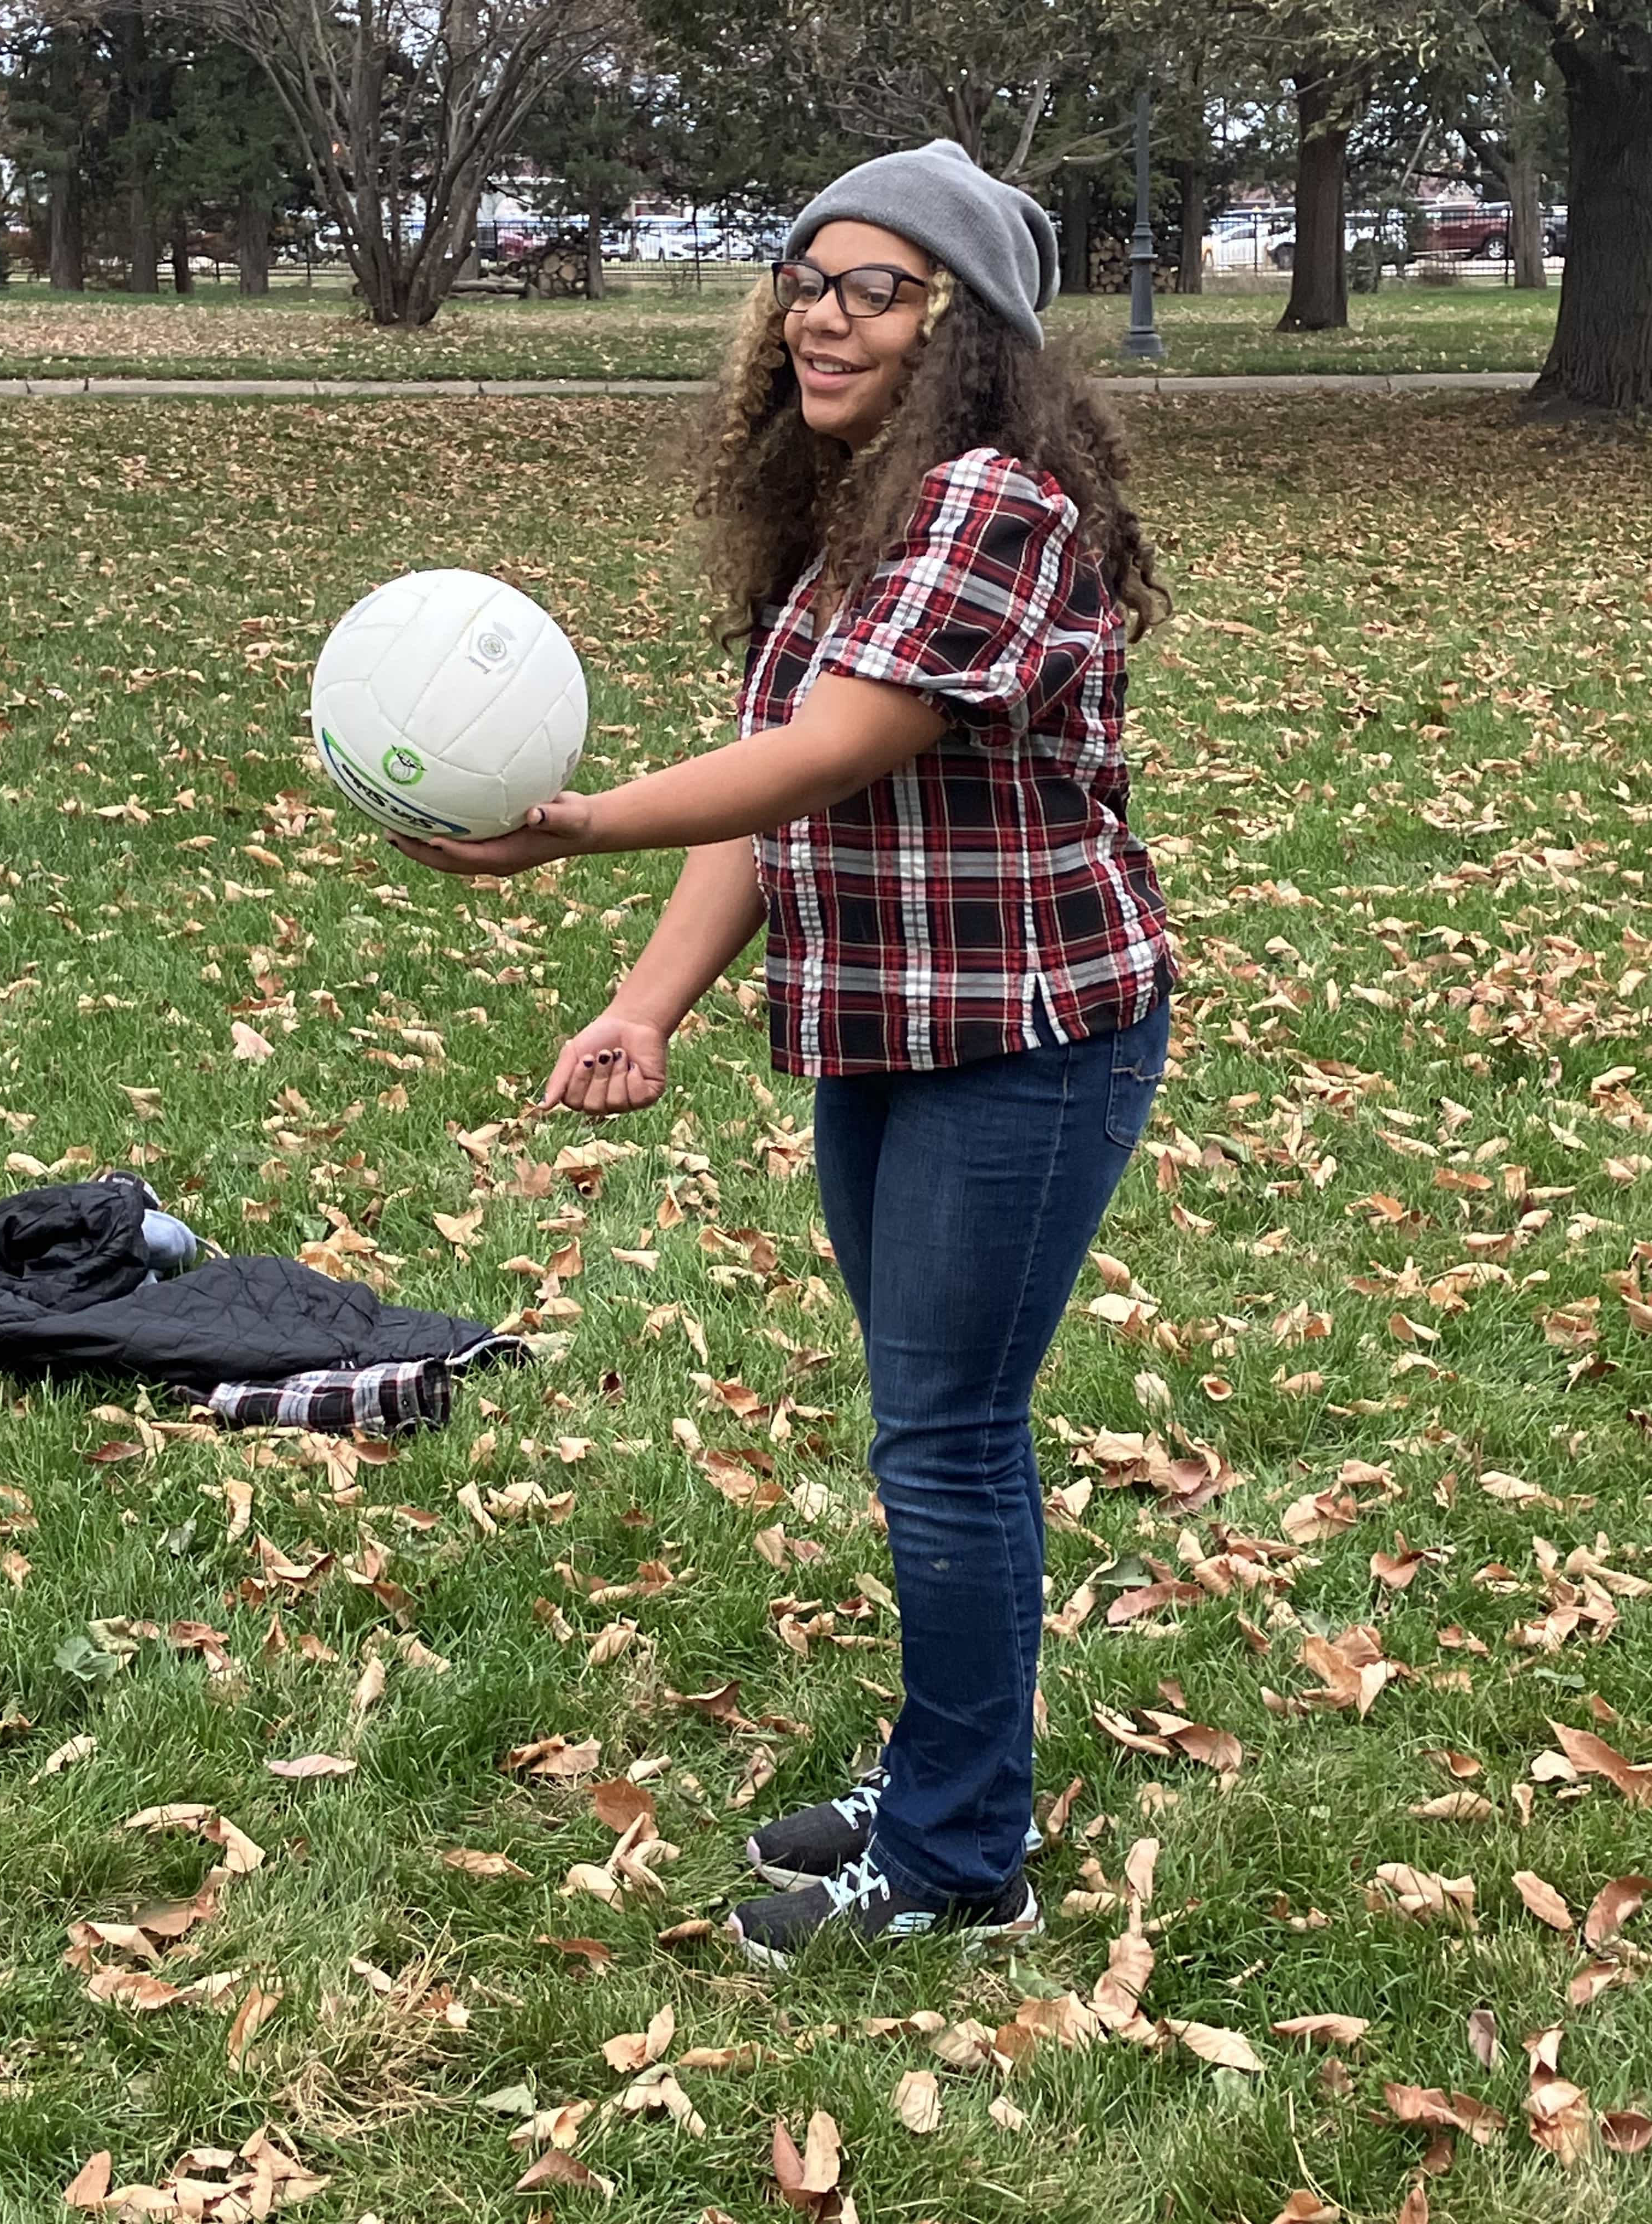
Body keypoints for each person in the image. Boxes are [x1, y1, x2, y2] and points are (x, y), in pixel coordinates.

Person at [392, 138, 1175, 1967]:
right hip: (885, 1033)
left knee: (948, 1441)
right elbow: (779, 803)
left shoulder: (998, 499)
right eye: (807, 279)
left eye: (876, 287)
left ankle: (962, 1860)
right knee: (934, 1434)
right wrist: (645, 1001)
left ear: (964, 326)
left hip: (1031, 1037)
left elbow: (839, 752)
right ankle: (943, 1784)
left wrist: (574, 825)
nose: (823, 316)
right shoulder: (850, 513)